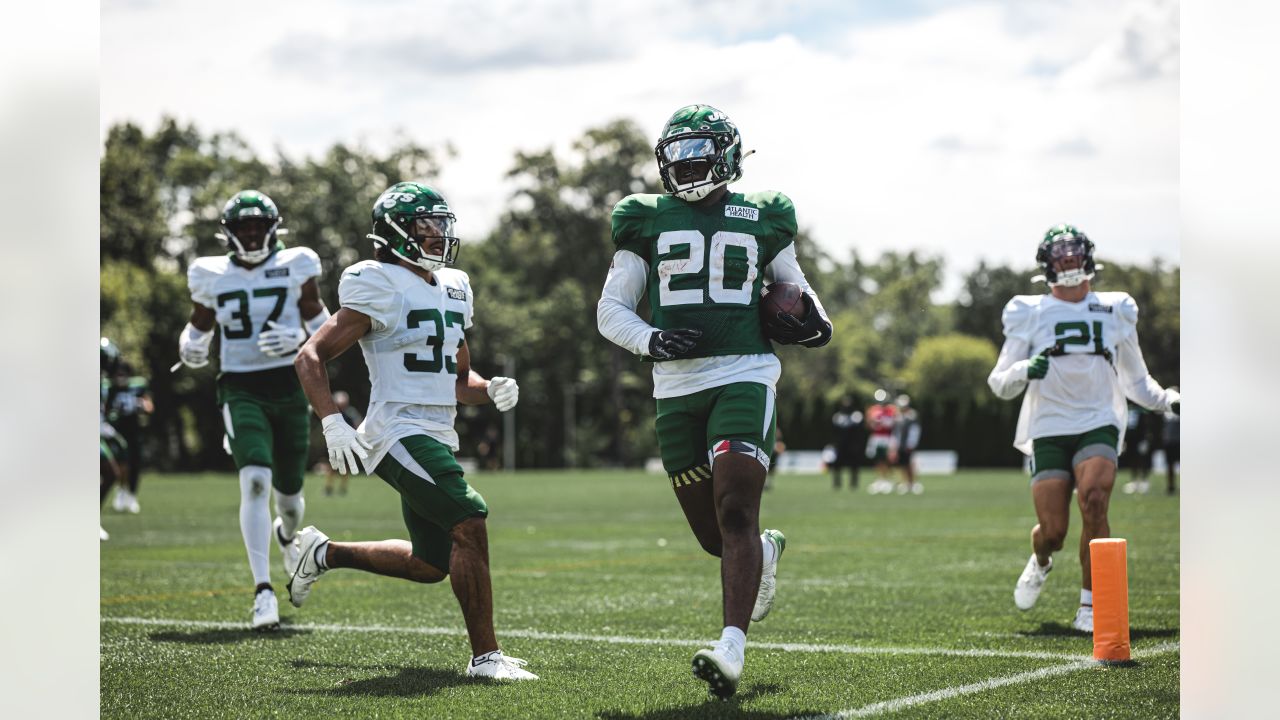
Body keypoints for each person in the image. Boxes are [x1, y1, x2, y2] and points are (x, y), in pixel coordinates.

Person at [596, 104, 832, 699]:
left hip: (744, 373)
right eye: (676, 151)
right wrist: (650, 339)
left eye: (697, 149)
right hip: (675, 388)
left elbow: (797, 291)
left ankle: (731, 647)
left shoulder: (764, 215)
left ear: (727, 154)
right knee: (714, 537)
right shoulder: (642, 218)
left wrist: (813, 322)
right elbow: (610, 310)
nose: (686, 161)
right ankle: (767, 549)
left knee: (734, 512)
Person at [292, 181, 537, 681]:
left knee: (431, 563)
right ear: (396, 233)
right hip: (395, 432)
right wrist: (333, 423)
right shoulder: (375, 281)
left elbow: (457, 380)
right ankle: (486, 657)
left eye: (441, 224)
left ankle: (321, 552)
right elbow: (310, 354)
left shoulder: (454, 285)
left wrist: (490, 388)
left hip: (437, 431)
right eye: (427, 225)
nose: (438, 234)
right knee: (470, 517)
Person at [987, 224, 1179, 633]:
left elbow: (1136, 380)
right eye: (1061, 256)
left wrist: (1167, 400)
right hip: (1050, 424)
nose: (1069, 261)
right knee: (1053, 531)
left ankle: (1091, 606)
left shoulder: (1116, 308)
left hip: (1099, 419)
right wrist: (1024, 369)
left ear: (1088, 258)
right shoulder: (1029, 311)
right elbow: (999, 382)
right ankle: (1040, 559)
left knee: (1094, 500)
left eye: (1074, 254)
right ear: (1048, 265)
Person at [176, 190, 329, 631]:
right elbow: (199, 326)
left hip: (288, 384)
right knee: (256, 481)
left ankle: (285, 536)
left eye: (257, 227)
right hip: (240, 387)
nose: (250, 234)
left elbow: (325, 324)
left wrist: (301, 340)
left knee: (291, 501)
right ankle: (263, 592)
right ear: (229, 233)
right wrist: (190, 346)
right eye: (243, 227)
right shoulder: (211, 273)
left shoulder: (297, 264)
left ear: (272, 229)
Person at [105, 361, 154, 513]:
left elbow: (149, 406)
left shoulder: (137, 386)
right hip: (114, 430)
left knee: (134, 464)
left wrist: (141, 406)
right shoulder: (108, 389)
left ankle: (132, 496)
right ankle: (121, 492)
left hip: (133, 430)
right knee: (119, 465)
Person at [323, 391, 363, 496]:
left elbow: (357, 425)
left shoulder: (350, 413)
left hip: (346, 444)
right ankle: (328, 487)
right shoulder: (334, 414)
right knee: (332, 466)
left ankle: (342, 488)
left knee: (345, 466)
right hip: (335, 443)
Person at [865, 389, 898, 494]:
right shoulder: (873, 410)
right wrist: (873, 423)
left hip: (887, 437)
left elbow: (895, 424)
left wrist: (885, 422)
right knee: (878, 459)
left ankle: (888, 479)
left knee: (888, 459)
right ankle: (880, 479)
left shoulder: (892, 410)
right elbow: (869, 425)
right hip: (876, 437)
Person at [830, 396, 864, 490]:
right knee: (837, 464)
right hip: (840, 444)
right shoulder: (838, 416)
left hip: (853, 444)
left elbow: (859, 431)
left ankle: (854, 483)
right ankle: (837, 482)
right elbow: (834, 432)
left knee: (854, 464)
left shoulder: (856, 416)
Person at [891, 394, 922, 495]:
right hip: (900, 445)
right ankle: (905, 483)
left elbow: (915, 431)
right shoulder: (898, 417)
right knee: (902, 464)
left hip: (908, 445)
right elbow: (895, 432)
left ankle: (912, 483)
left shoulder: (912, 416)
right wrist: (894, 445)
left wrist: (911, 444)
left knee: (910, 464)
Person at [1161, 391, 1180, 495]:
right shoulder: (1166, 411)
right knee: (1170, 466)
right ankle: (1171, 486)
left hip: (1179, 441)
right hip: (1169, 442)